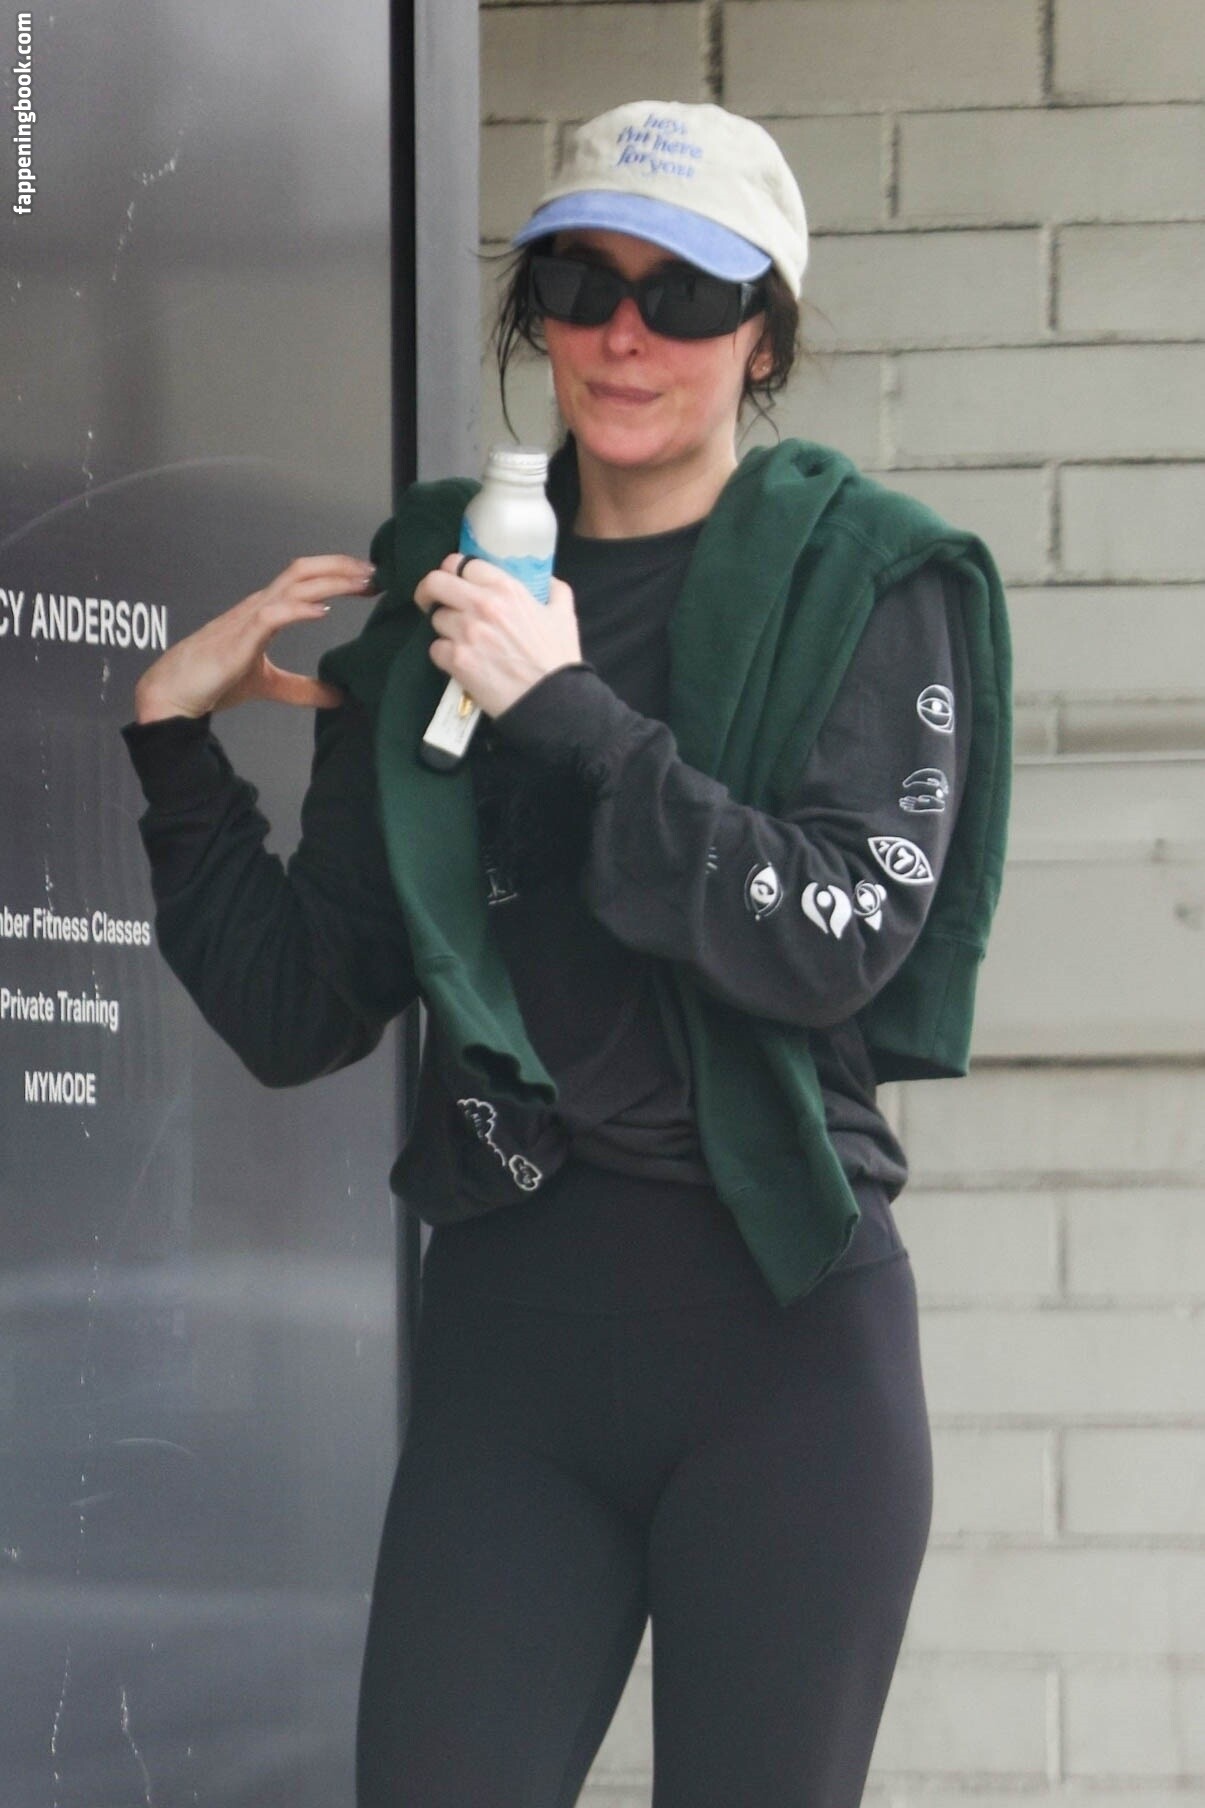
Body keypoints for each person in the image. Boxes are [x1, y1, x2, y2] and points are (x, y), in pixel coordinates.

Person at [122, 99, 1011, 1808]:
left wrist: (568, 713)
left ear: (762, 339)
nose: (624, 334)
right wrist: (174, 748)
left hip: (781, 1352)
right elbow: (305, 1005)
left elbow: (825, 939)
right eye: (579, 285)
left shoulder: (870, 584)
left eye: (685, 296)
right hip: (513, 1346)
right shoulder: (439, 595)